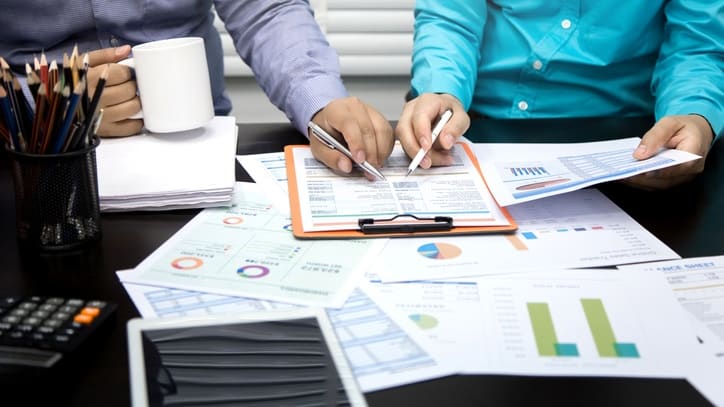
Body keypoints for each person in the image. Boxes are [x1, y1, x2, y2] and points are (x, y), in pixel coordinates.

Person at [0, 0, 393, 176]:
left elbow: (266, 10)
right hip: (30, 164)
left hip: (197, 152)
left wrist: (319, 99)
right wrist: (54, 102)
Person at [396, 1, 723, 189]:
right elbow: (451, 20)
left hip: (628, 144)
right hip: (472, 128)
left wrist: (695, 114)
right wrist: (442, 90)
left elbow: (698, 45)